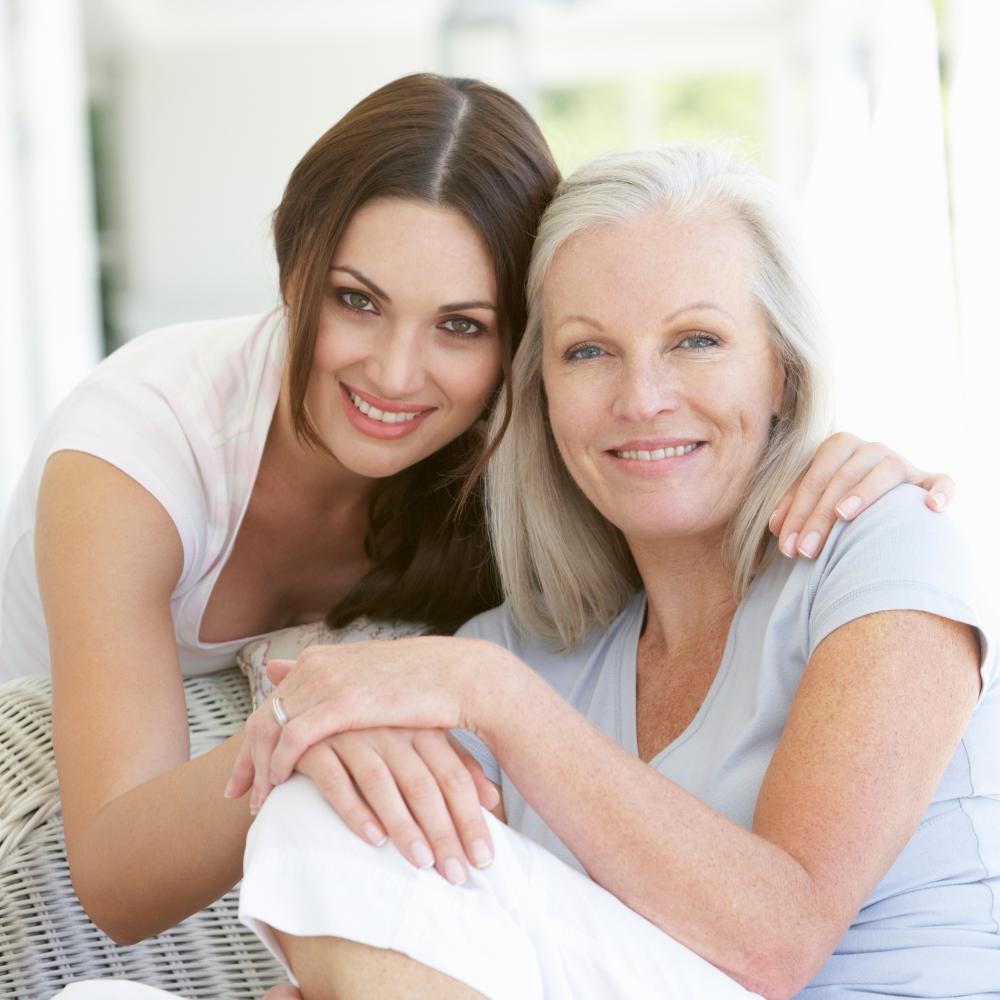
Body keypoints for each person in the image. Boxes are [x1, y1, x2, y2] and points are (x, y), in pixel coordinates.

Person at [0, 72, 947, 996]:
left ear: (513, 355)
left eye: (460, 323)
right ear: (292, 274)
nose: (398, 372)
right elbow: (123, 879)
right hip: (72, 838)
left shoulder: (542, 501)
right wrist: (312, 728)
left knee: (322, 817)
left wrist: (852, 463)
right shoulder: (140, 452)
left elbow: (769, 939)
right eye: (356, 299)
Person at [231, 144, 998, 1000]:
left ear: (782, 369)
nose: (642, 397)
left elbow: (778, 941)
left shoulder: (886, 544)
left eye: (697, 340)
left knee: (315, 832)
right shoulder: (521, 648)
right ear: (540, 392)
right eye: (589, 352)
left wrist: (489, 691)